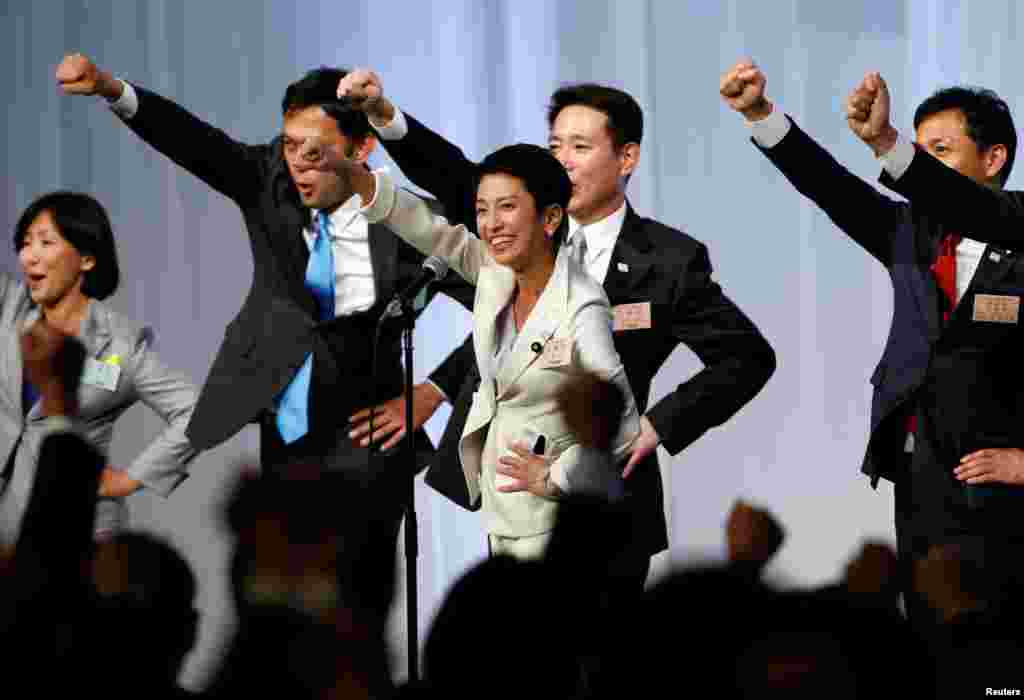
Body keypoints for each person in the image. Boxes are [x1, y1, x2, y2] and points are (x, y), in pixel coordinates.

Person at [338, 70, 777, 587]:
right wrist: (385, 119)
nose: (563, 159)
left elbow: (747, 357)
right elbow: (453, 192)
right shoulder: (518, 236)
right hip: (513, 497)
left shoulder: (668, 261)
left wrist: (655, 426)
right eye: (555, 145)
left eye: (580, 146)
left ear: (627, 157)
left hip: (606, 502)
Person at [55, 55, 474, 538]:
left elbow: (505, 311)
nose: (297, 164)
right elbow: (194, 142)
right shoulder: (268, 181)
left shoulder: (413, 225)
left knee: (350, 598)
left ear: (361, 148)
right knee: (283, 593)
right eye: (290, 145)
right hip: (284, 434)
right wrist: (111, 88)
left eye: (314, 152)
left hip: (368, 442)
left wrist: (432, 392)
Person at [719, 59, 1024, 626]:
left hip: (1007, 494)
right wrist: (761, 115)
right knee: (929, 638)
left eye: (941, 150)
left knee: (999, 651)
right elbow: (829, 186)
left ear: (993, 158)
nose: (921, 165)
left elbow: (972, 207)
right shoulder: (909, 231)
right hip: (920, 479)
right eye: (918, 148)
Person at [337, 142, 640, 560]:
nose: (492, 224)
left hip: (559, 526)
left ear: (551, 217)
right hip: (504, 513)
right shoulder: (496, 273)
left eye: (507, 208)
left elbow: (621, 420)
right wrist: (358, 181)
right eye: (482, 210)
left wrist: (556, 477)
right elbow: (431, 230)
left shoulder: (581, 306)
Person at [0, 191, 198, 542]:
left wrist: (130, 479)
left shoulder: (120, 345)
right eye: (25, 243)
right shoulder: (9, 307)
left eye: (46, 242)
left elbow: (195, 411)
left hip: (77, 534)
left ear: (87, 259)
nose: (29, 256)